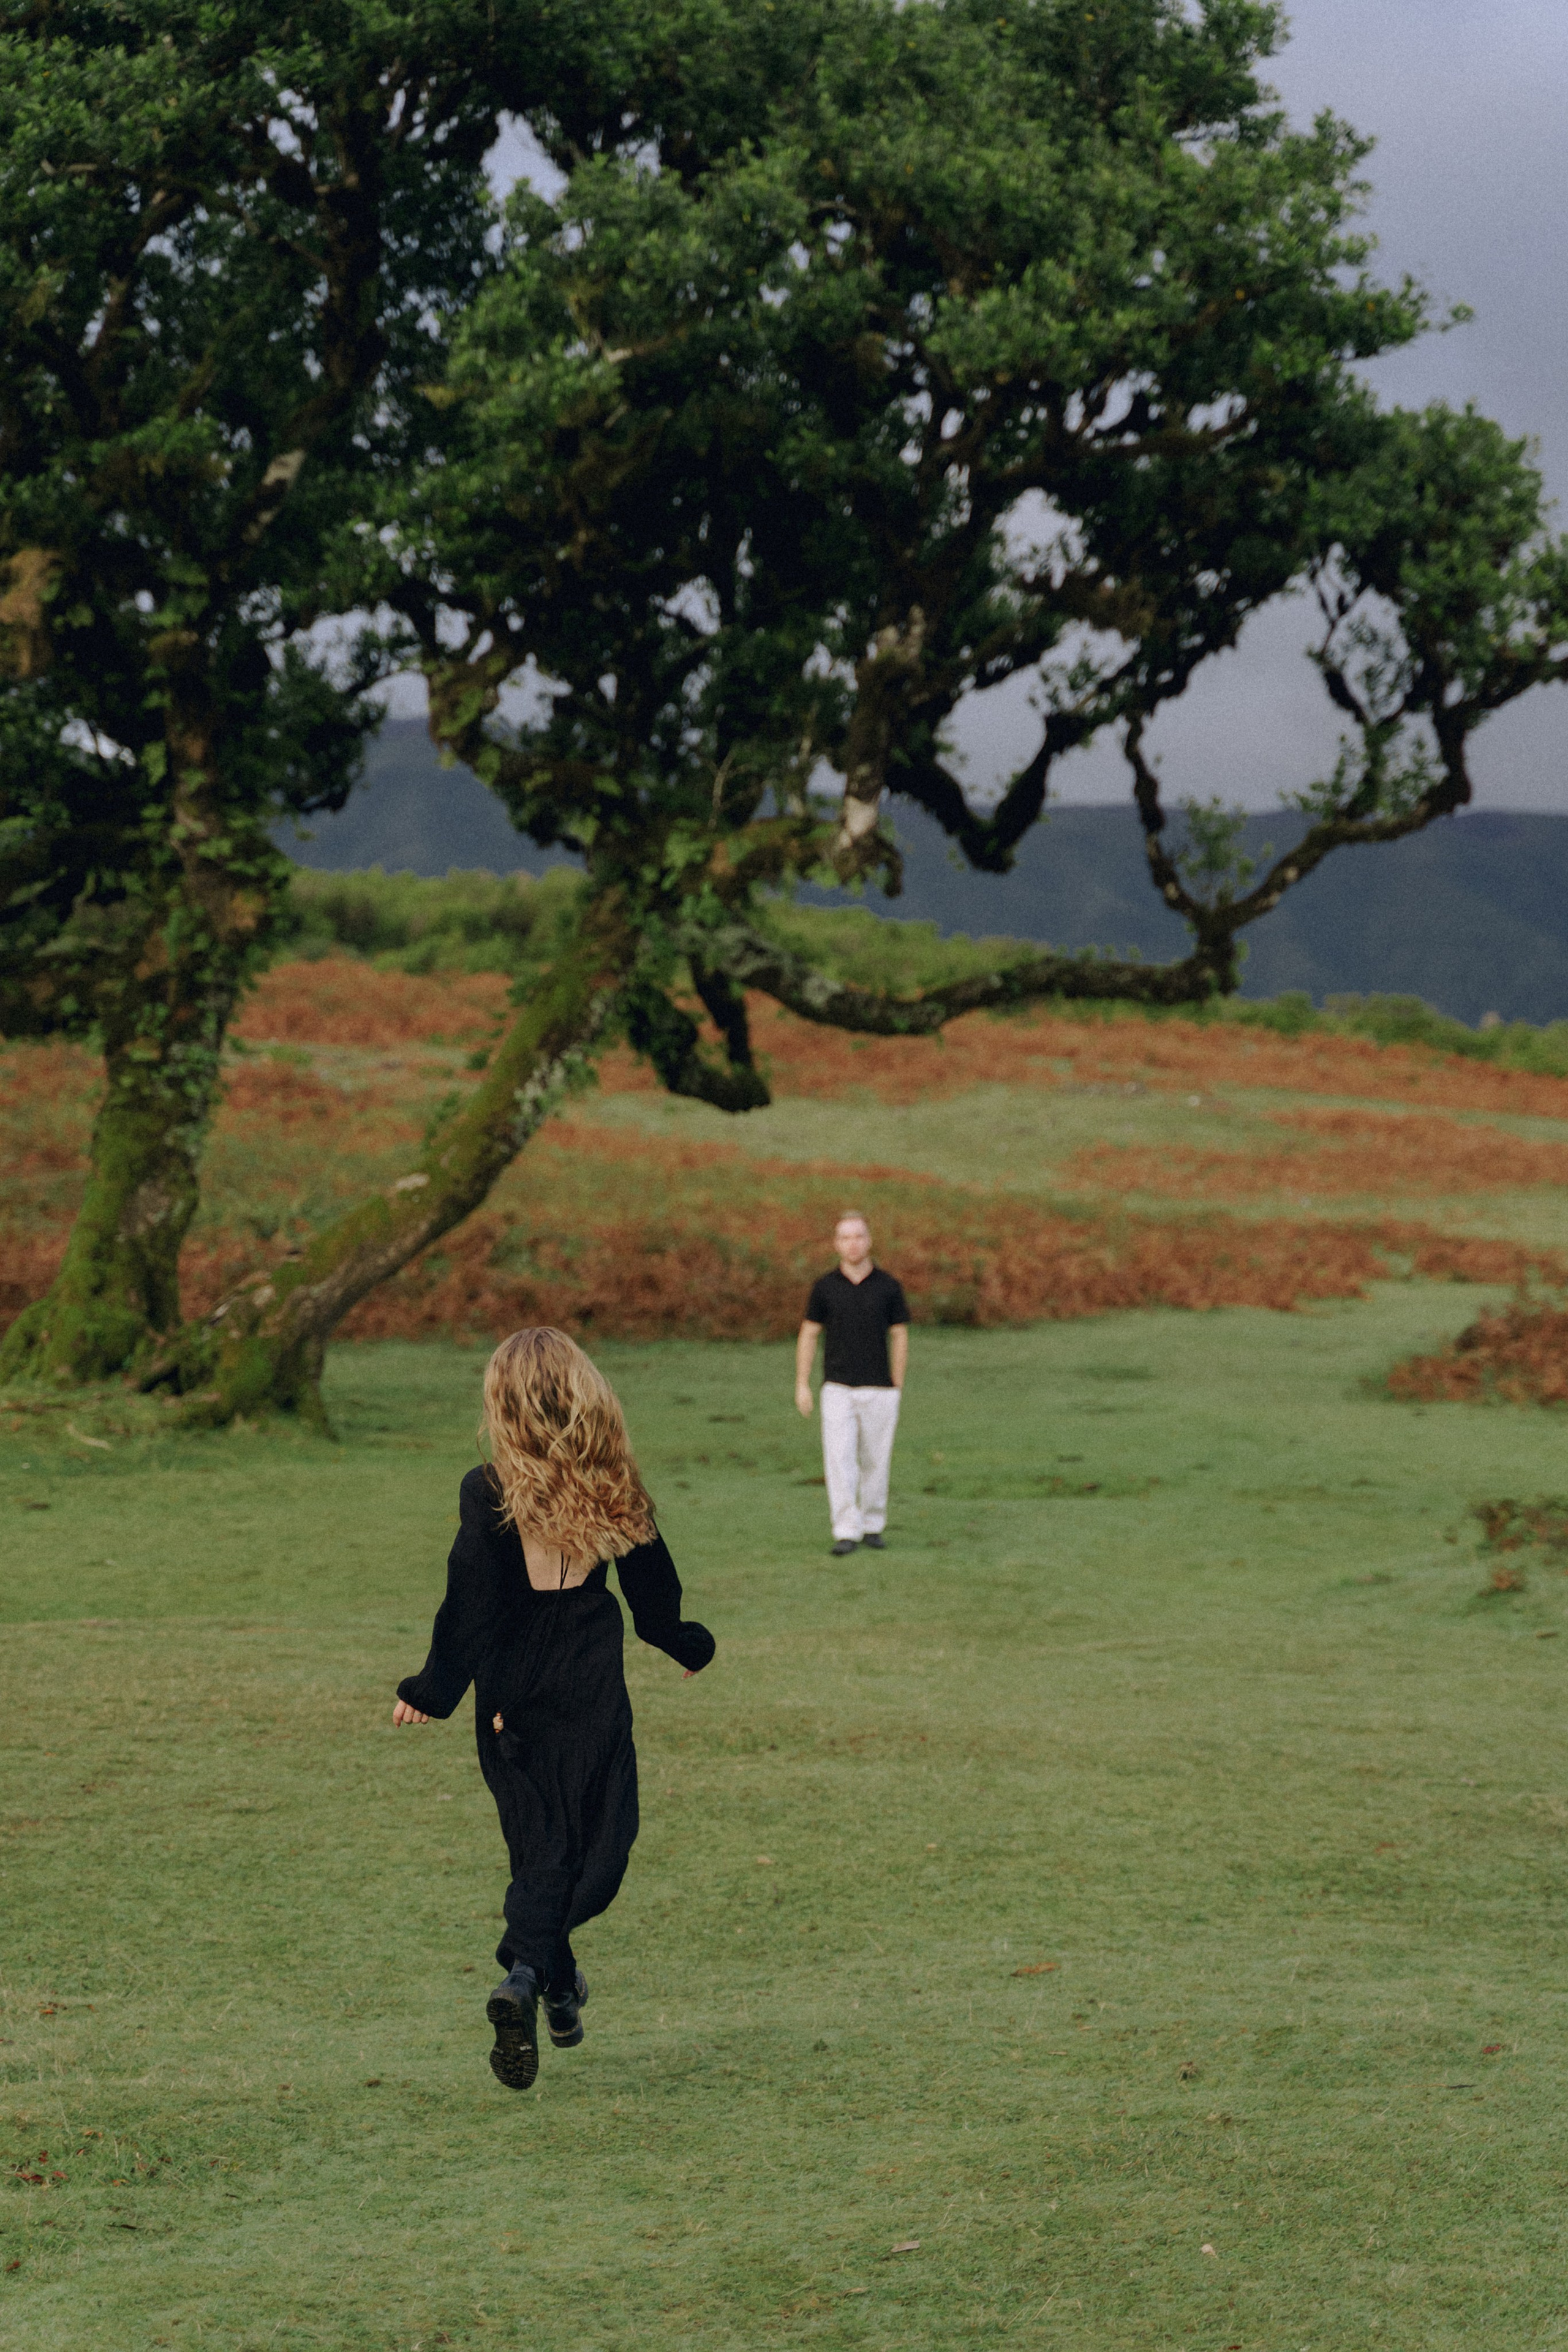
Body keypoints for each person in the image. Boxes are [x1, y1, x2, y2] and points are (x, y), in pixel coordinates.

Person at [392, 1327, 714, 2092]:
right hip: (588, 1684)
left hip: (512, 1694)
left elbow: (470, 1601)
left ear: (501, 1404)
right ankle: (538, 1980)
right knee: (600, 1842)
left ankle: (538, 1983)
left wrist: (432, 1690)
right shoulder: (614, 1484)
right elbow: (653, 1597)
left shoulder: (489, 1489)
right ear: (584, 1395)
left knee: (539, 1849)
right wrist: (687, 1644)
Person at [795, 1212, 910, 1556]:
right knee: (840, 1459)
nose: (853, 1244)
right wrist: (802, 1383)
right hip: (837, 1388)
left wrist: (897, 1383)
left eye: (859, 1236)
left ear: (869, 1240)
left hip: (879, 1389)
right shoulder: (825, 1288)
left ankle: (873, 1524)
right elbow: (809, 1333)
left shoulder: (888, 1287)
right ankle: (846, 1530)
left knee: (876, 1460)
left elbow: (900, 1334)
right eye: (845, 1238)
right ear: (836, 1244)